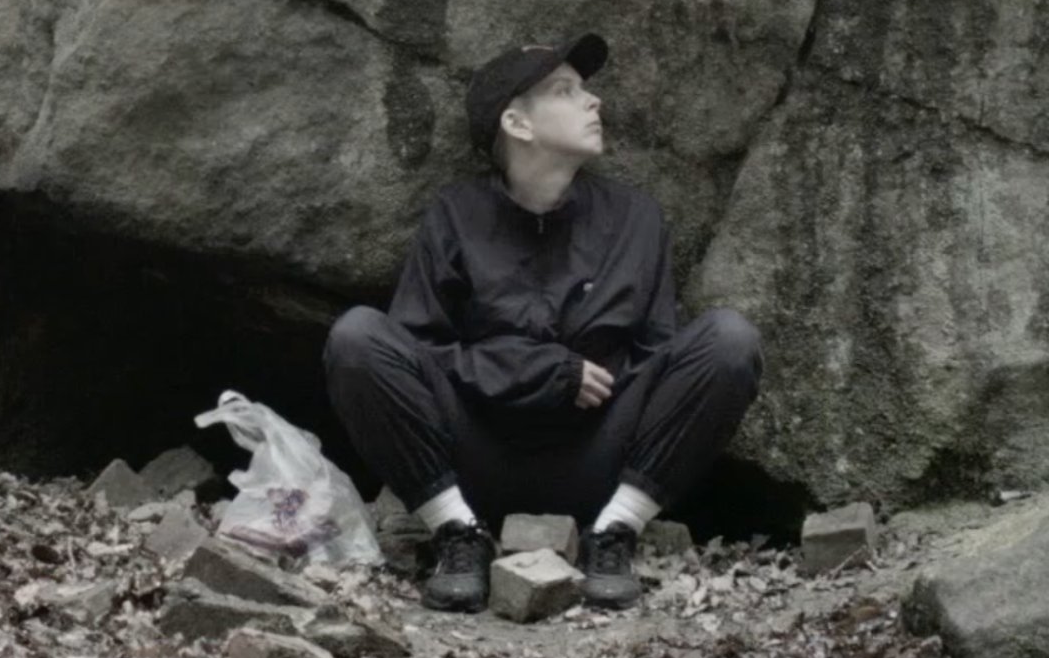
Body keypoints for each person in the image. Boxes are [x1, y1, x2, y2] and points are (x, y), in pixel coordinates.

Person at [323, 35, 762, 613]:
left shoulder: (637, 218)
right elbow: (418, 348)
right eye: (565, 90)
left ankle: (614, 536)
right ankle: (458, 536)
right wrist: (537, 370)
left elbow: (661, 362)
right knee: (356, 338)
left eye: (585, 89)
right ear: (517, 123)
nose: (594, 102)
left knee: (730, 341)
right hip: (475, 459)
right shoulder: (455, 215)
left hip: (599, 460)